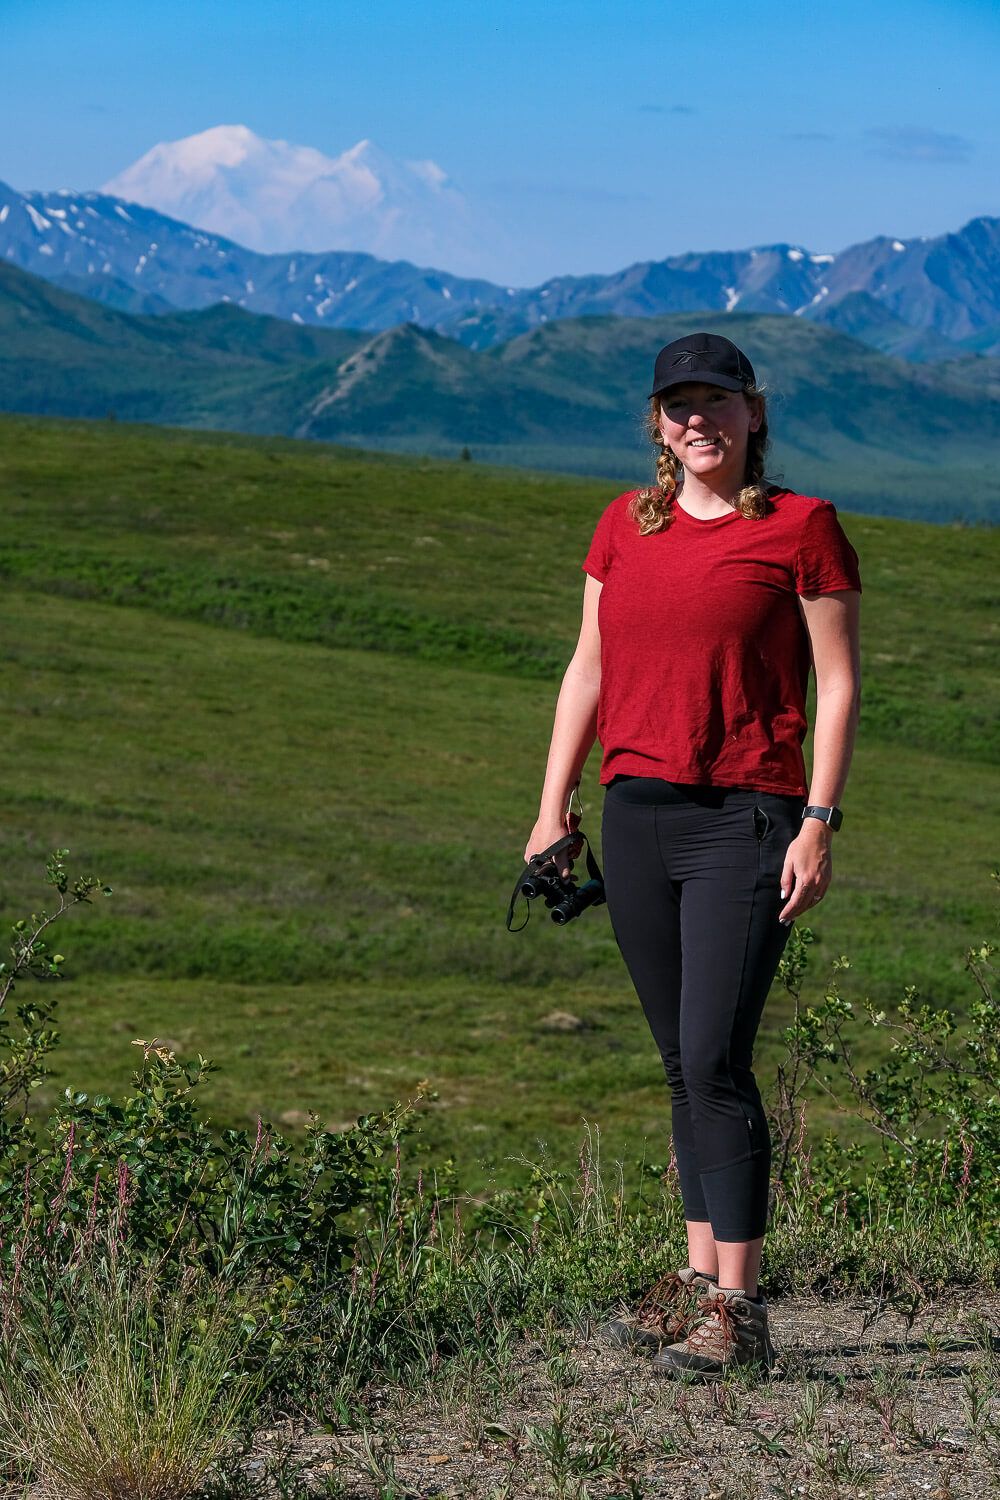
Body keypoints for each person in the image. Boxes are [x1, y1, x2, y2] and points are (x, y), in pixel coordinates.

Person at [523, 331, 862, 1379]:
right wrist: (551, 809)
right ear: (656, 421)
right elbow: (587, 667)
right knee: (681, 1059)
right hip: (636, 814)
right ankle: (694, 1282)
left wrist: (817, 820)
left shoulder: (803, 528)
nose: (695, 420)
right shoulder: (624, 524)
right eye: (678, 405)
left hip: (745, 817)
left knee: (715, 1058)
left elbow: (837, 682)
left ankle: (740, 1308)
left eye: (716, 402)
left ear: (752, 414)